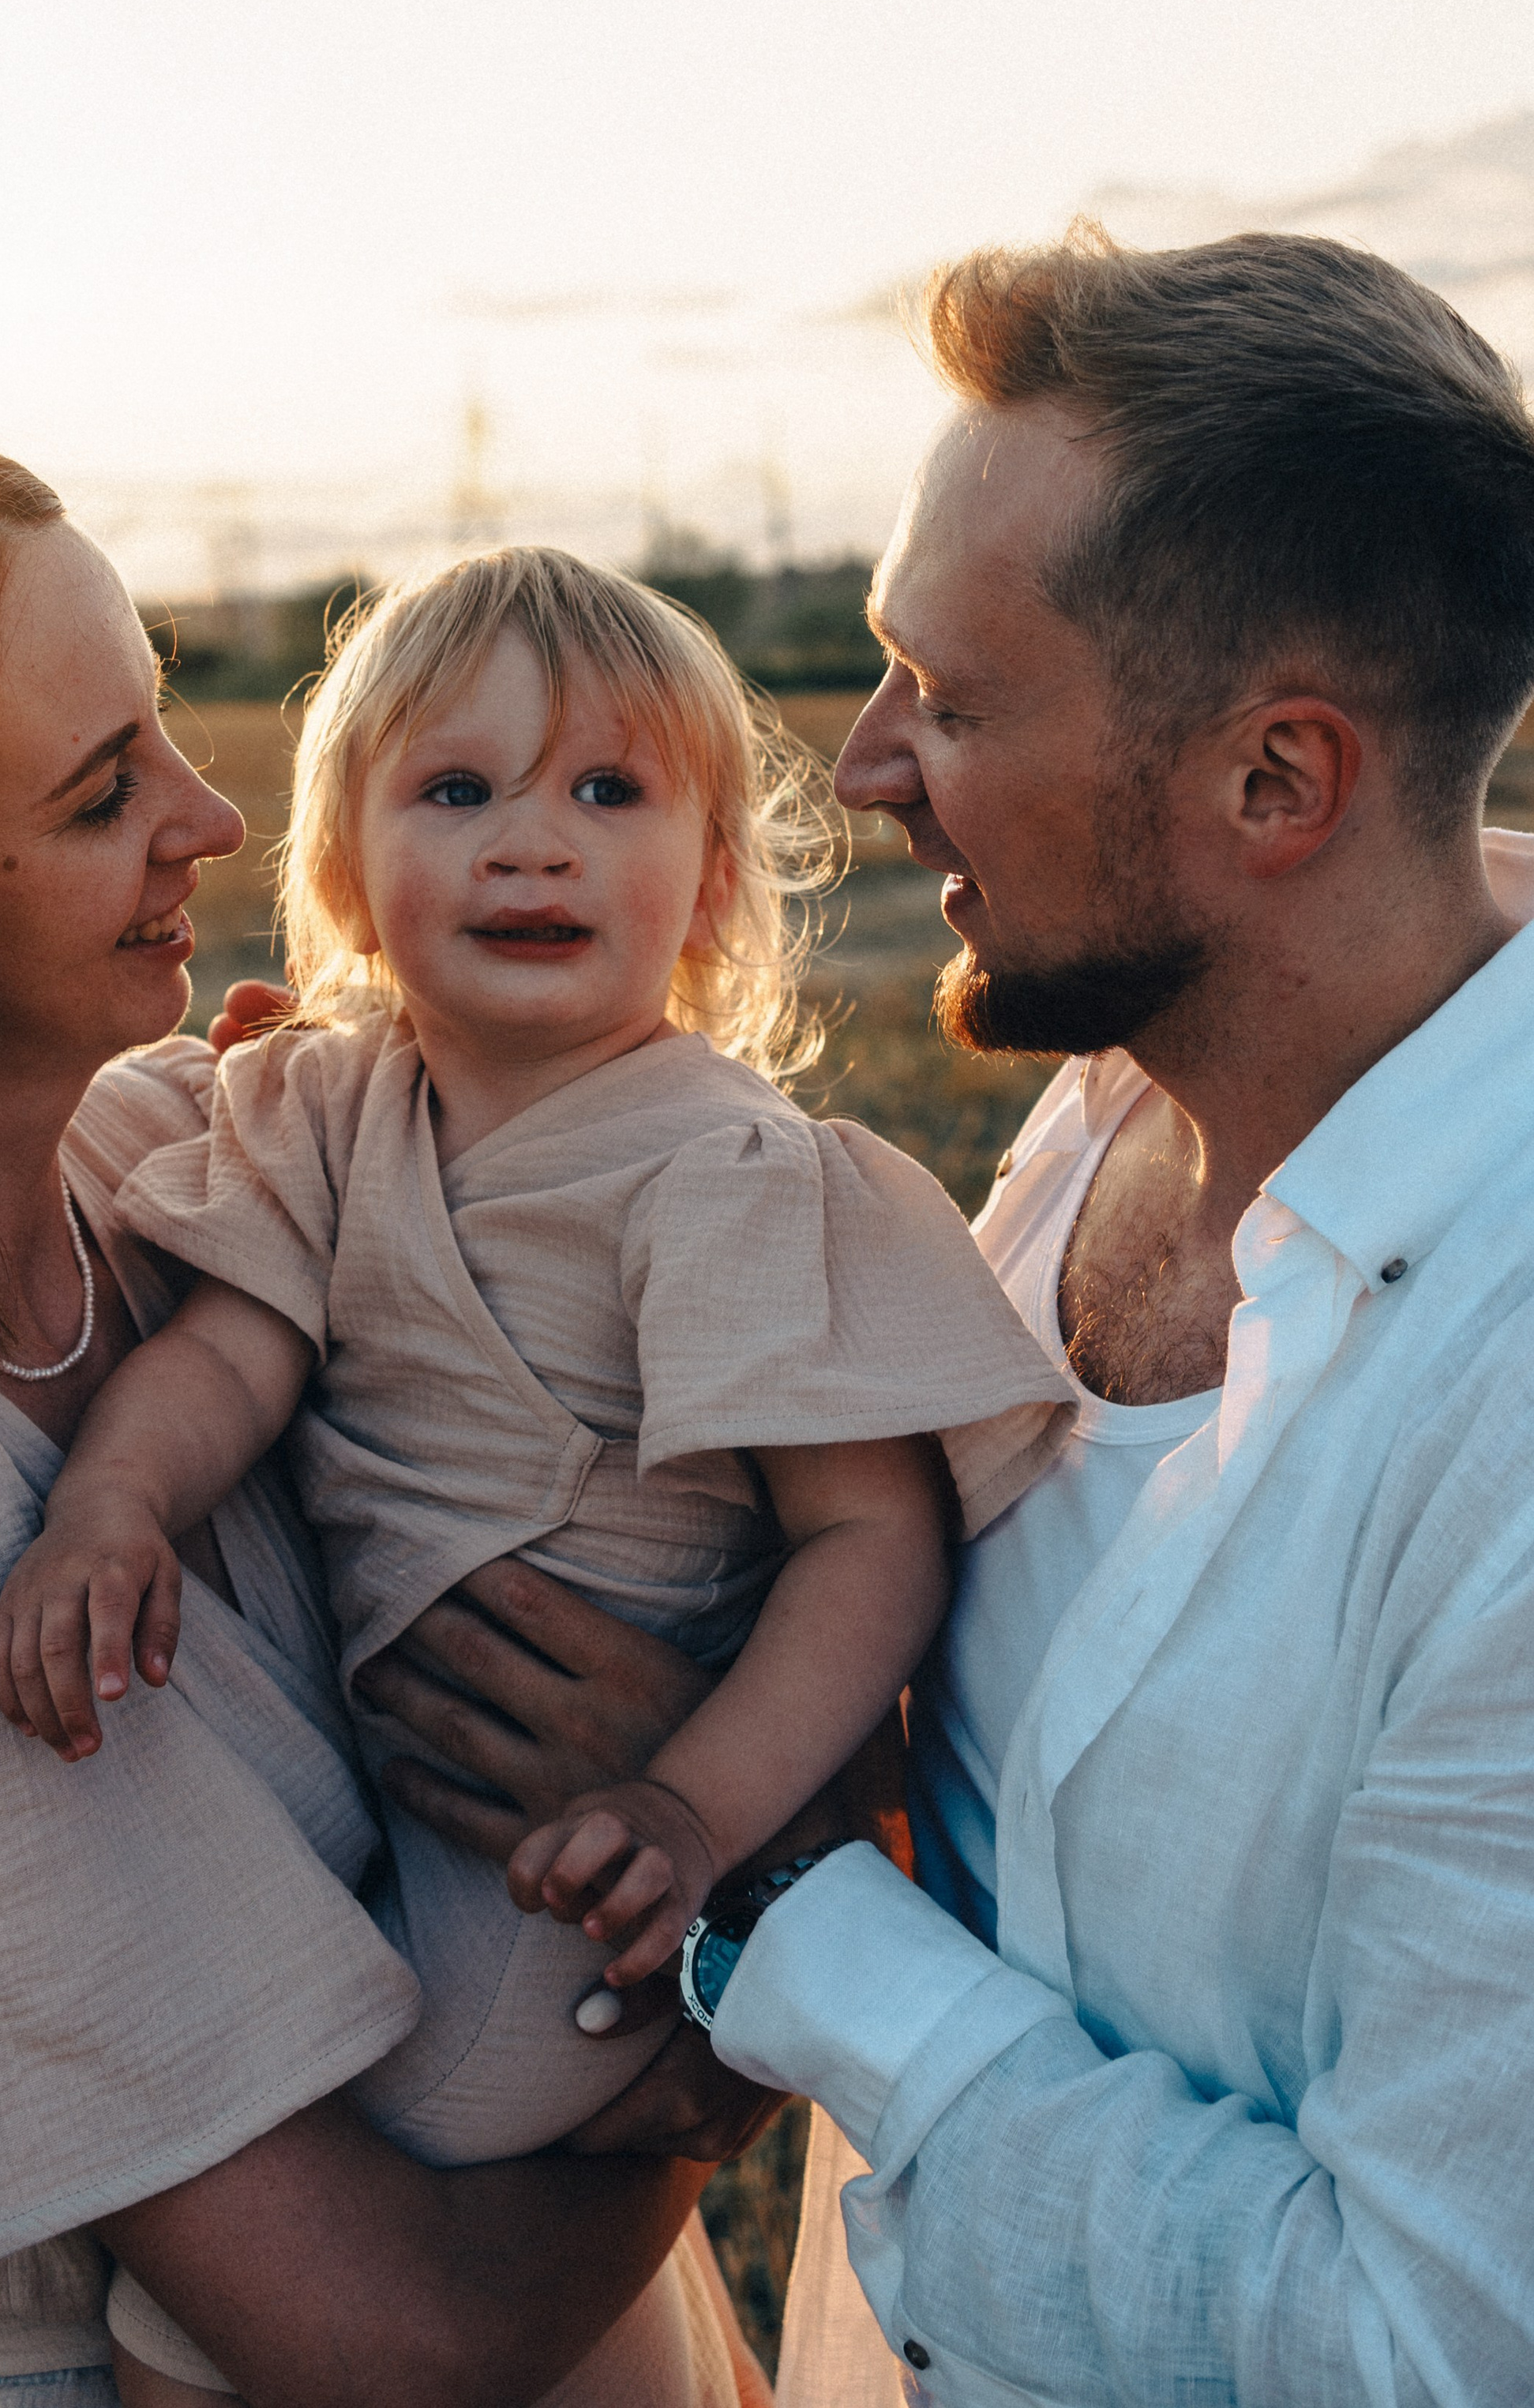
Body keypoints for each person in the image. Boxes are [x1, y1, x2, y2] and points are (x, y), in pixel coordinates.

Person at [387, 226, 1534, 2403]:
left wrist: (790, 1903)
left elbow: (1426, 2350)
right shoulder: (1105, 1115)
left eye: (953, 696)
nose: (865, 763)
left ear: (1277, 783)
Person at [0, 426, 776, 2408]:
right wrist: (752, 1978)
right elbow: (394, 2336)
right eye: (104, 788)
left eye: (165, 726)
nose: (212, 815)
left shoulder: (166, 1166)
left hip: (607, 2319)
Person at [0, 544, 1059, 2399]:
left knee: (263, 2286)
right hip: (388, 1808)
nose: (531, 846)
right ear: (345, 871)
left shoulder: (720, 1172)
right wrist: (109, 1502)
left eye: (607, 792)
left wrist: (693, 1812)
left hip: (572, 1863)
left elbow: (866, 1541)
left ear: (707, 882)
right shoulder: (330, 1107)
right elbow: (229, 1355)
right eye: (458, 790)